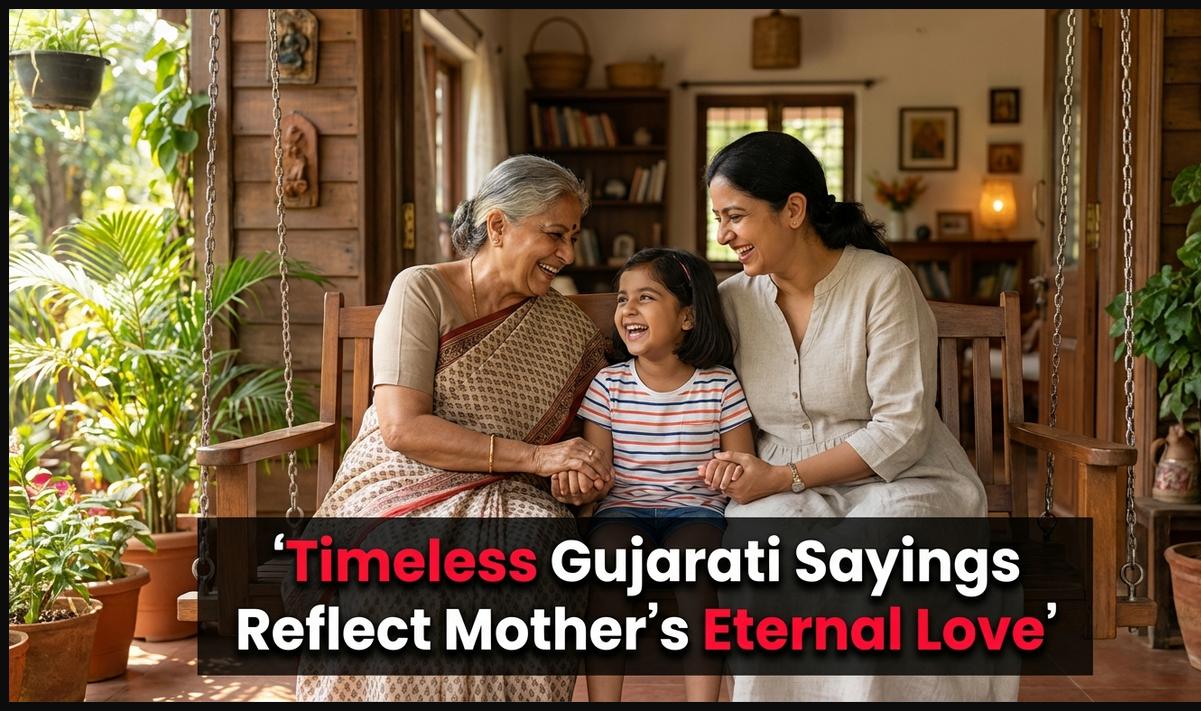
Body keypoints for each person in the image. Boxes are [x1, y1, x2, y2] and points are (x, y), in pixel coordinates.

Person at [705, 131, 1017, 702]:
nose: (723, 235)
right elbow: (676, 375)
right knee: (759, 545)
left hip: (904, 474)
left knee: (881, 546)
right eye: (719, 218)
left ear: (793, 210)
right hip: (780, 473)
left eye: (736, 216)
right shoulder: (731, 300)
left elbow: (901, 429)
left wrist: (786, 478)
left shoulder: (882, 284)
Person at [294, 155, 612, 702]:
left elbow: (580, 445)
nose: (567, 254)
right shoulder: (422, 291)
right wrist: (538, 459)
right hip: (399, 479)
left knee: (537, 553)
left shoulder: (568, 328)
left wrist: (576, 475)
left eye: (573, 237)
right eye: (555, 235)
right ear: (497, 226)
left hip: (513, 494)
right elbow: (401, 428)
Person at [571, 248, 755, 702]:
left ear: (688, 317)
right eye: (621, 299)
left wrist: (725, 472)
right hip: (623, 511)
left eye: (645, 298)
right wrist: (579, 484)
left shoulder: (720, 385)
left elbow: (743, 467)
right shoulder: (609, 384)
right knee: (608, 573)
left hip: (696, 511)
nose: (628, 310)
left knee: (696, 575)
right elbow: (598, 471)